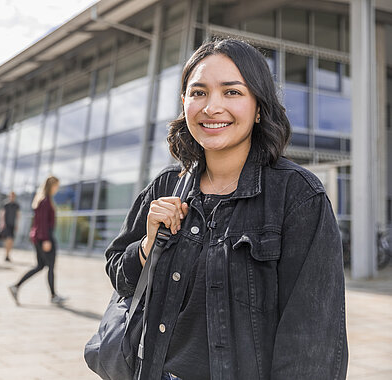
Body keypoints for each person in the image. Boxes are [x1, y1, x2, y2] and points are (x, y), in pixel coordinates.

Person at [104, 39, 348, 380]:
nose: (211, 107)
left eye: (231, 92)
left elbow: (312, 341)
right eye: (198, 92)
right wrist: (147, 246)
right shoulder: (166, 185)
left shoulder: (298, 196)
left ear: (259, 107)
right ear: (185, 102)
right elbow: (119, 274)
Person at [9, 176, 66, 306]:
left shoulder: (42, 200)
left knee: (40, 266)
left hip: (39, 237)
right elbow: (43, 223)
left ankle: (16, 286)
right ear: (52, 186)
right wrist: (46, 239)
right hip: (44, 237)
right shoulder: (45, 201)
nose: (57, 188)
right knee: (50, 266)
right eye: (56, 185)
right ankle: (53, 296)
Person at [0, 191, 20, 262]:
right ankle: (6, 254)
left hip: (12, 224)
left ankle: (8, 254)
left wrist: (17, 224)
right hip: (6, 224)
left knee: (11, 240)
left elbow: (18, 215)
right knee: (8, 239)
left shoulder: (16, 205)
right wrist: (2, 223)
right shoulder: (5, 204)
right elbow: (2, 214)